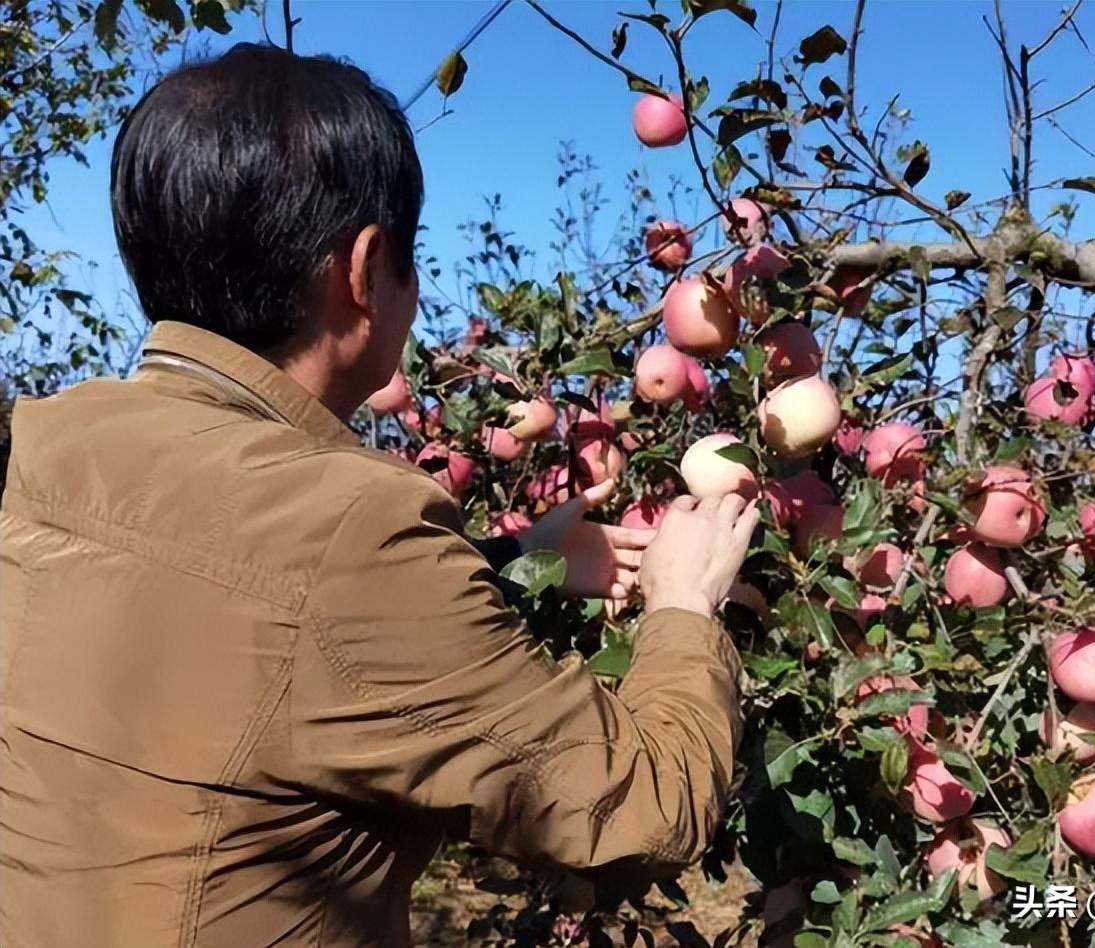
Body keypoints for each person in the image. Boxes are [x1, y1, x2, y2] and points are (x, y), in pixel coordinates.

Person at [0, 44, 757, 948]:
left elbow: (251, 634)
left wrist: (520, 559)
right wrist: (682, 606)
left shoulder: (39, 444)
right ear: (363, 268)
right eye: (413, 254)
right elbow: (643, 811)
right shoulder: (355, 531)